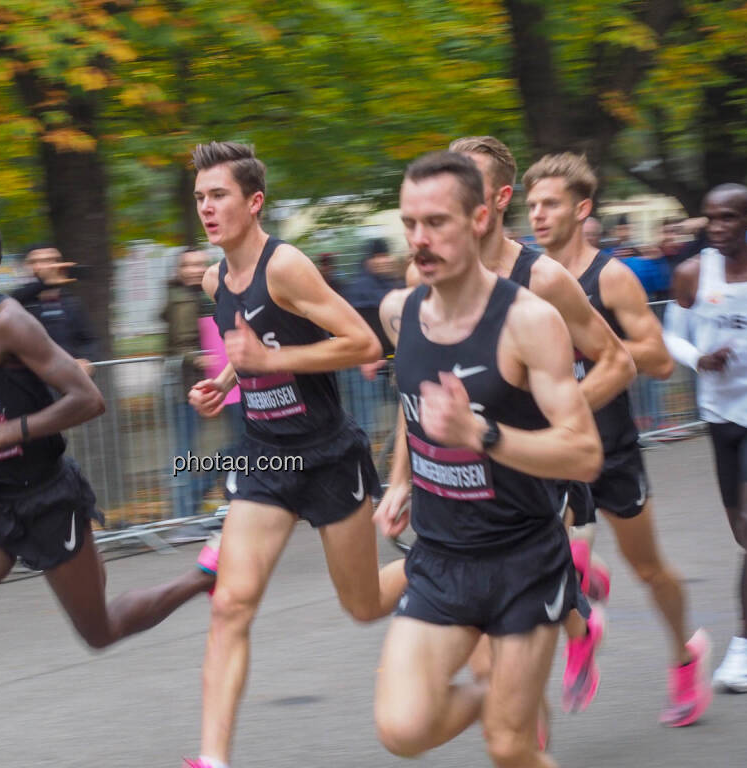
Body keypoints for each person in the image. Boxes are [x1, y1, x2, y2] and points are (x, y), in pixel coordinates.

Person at [0, 214, 217, 768]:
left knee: (99, 630)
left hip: (47, 496)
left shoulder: (9, 323)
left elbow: (87, 399)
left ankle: (202, 579)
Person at [372, 150, 602, 768]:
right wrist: (400, 479)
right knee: (401, 728)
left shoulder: (529, 320)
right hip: (441, 559)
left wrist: (484, 435)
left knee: (509, 749)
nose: (420, 239)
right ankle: (493, 697)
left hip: (522, 559)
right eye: (409, 223)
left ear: (479, 219)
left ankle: (508, 711)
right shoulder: (400, 314)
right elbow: (415, 404)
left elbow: (583, 454)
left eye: (437, 222)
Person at [184, 142, 402, 768]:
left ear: (254, 203)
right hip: (266, 459)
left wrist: (268, 362)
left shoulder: (287, 267)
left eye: (218, 195)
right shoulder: (212, 278)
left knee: (362, 605)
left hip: (328, 456)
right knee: (230, 603)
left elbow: (362, 343)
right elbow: (250, 346)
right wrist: (223, 384)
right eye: (200, 197)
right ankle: (212, 759)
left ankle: (449, 560)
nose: (206, 207)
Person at [403, 135, 635, 717]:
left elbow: (618, 361)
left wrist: (543, 418)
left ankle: (571, 627)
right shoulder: (422, 280)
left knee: (511, 600)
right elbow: (415, 391)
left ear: (493, 202)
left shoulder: (544, 280)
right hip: (458, 486)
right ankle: (573, 621)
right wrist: (400, 479)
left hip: (533, 466)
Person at [525, 152, 711, 726]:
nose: (536, 215)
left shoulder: (610, 276)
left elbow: (656, 359)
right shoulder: (528, 279)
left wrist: (593, 355)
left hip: (611, 447)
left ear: (582, 210)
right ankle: (582, 599)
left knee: (649, 568)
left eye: (549, 204)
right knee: (535, 563)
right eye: (530, 204)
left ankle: (684, 655)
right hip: (554, 450)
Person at [664, 183, 747, 693]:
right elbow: (671, 333)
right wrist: (696, 358)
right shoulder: (694, 272)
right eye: (711, 219)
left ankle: (744, 650)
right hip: (720, 417)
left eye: (728, 218)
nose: (718, 228)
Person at [161, 248, 216, 518]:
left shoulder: (199, 296)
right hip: (186, 384)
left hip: (202, 384)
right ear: (180, 270)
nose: (196, 269)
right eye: (189, 265)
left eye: (200, 264)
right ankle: (184, 512)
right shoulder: (182, 299)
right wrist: (200, 359)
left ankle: (191, 503)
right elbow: (181, 345)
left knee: (195, 447)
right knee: (185, 448)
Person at [11, 244, 99, 375]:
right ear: (28, 266)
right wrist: (45, 283)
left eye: (52, 260)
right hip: (32, 383)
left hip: (68, 382)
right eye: (38, 261)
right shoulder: (17, 303)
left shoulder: (71, 302)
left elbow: (89, 339)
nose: (47, 266)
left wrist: (87, 360)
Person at [345, 238, 403, 435]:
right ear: (369, 260)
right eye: (378, 256)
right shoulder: (360, 288)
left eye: (385, 255)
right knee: (366, 423)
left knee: (403, 419)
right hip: (367, 368)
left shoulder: (394, 283)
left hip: (392, 364)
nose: (383, 260)